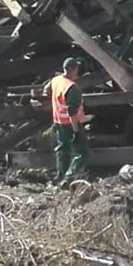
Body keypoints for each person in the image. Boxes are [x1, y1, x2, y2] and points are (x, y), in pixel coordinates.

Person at [42, 57, 89, 188]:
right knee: (82, 152)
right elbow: (72, 111)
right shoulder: (72, 88)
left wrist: (48, 96)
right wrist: (76, 130)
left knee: (63, 149)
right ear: (73, 70)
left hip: (58, 121)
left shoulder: (56, 80)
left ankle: (60, 176)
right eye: (77, 69)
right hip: (70, 123)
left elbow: (46, 88)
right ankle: (69, 178)